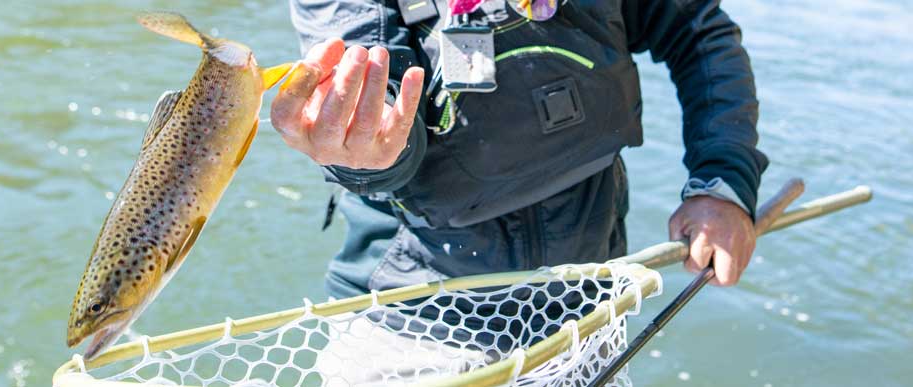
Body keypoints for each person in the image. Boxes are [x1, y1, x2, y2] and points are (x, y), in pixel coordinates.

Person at [270, 0, 767, 382]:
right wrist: (364, 151)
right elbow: (380, 119)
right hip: (414, 321)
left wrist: (722, 186)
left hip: (589, 309)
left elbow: (697, 31)